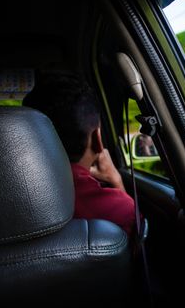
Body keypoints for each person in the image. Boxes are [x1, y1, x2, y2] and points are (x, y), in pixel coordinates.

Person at [23, 71, 136, 237]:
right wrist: (117, 181)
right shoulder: (118, 210)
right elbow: (137, 249)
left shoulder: (4, 197)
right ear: (98, 139)